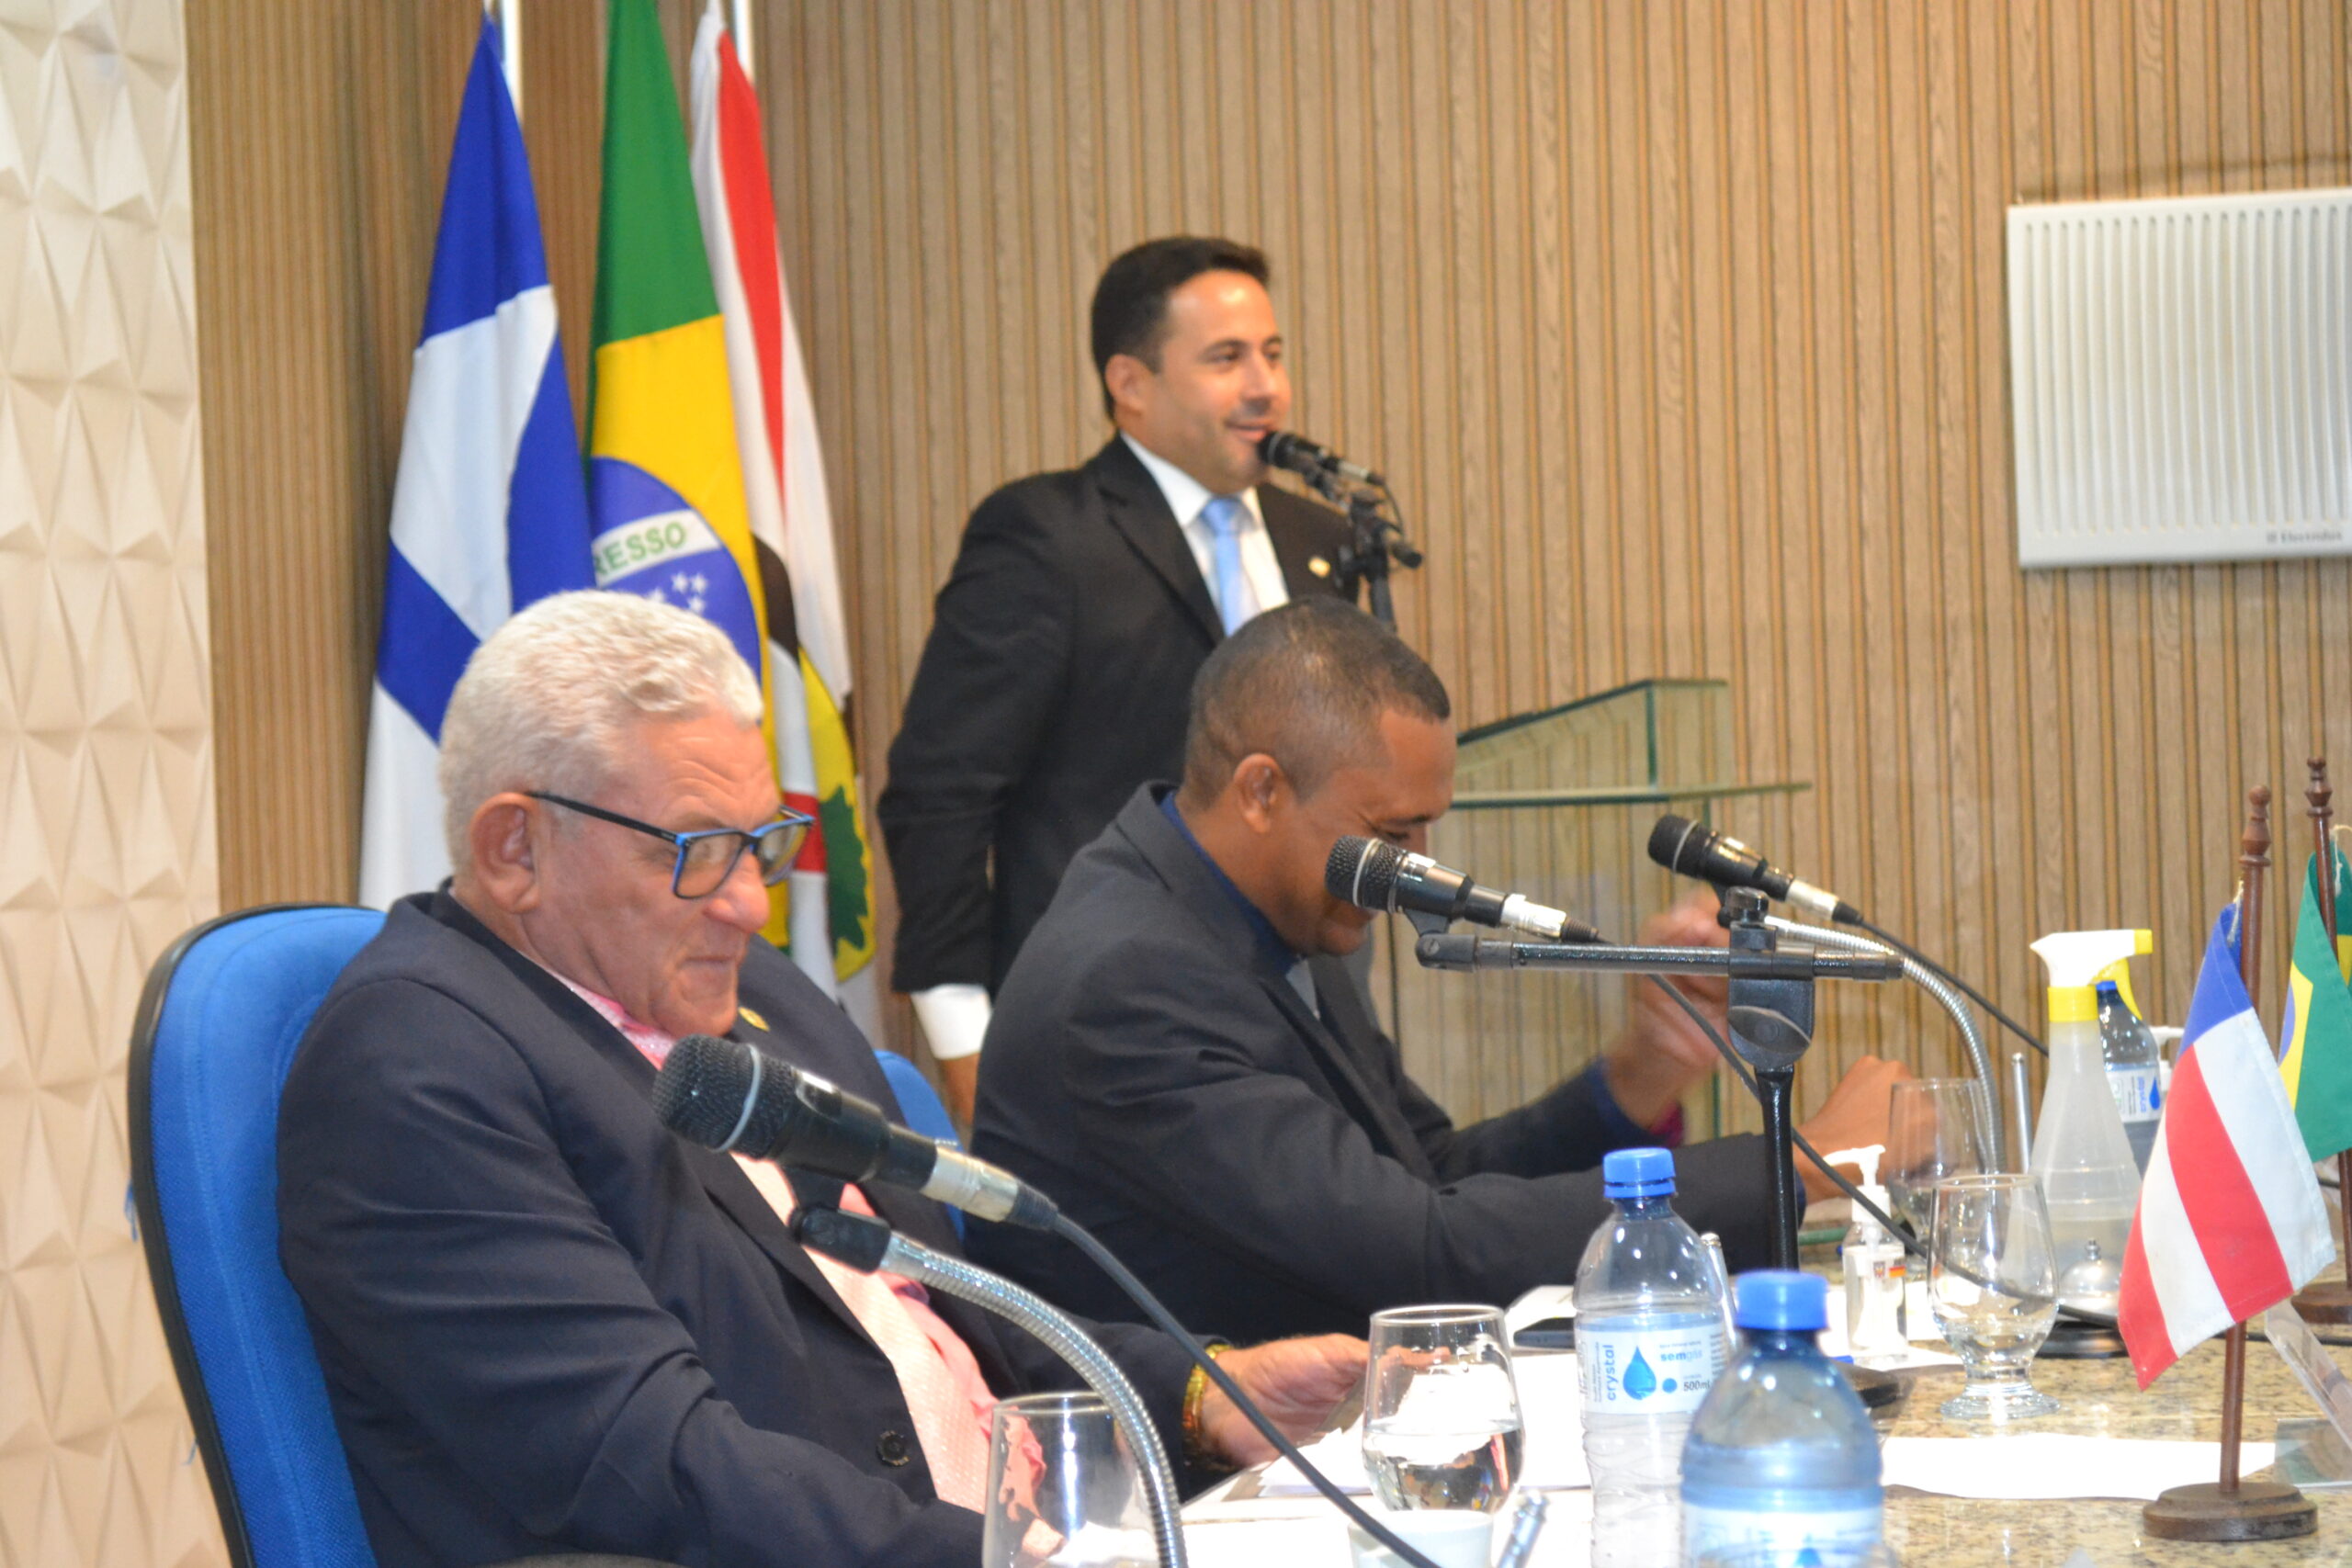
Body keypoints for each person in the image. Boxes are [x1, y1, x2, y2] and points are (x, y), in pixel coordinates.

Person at [276, 592, 1362, 1568]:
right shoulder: (416, 1068)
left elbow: (949, 1309)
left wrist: (1201, 1394)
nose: (750, 903)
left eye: (760, 842)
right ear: (514, 850)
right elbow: (662, 1467)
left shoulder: (755, 992)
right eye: (694, 850)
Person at [967, 600, 1907, 1344]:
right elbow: (1422, 1256)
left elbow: (1431, 1177)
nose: (1416, 865)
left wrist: (1636, 1077)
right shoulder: (1127, 982)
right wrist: (1798, 1163)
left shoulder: (1278, 909)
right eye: (1393, 831)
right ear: (1261, 789)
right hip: (1193, 1481)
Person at [879, 236, 1355, 1122]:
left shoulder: (1321, 541)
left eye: (1273, 353)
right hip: (1107, 1021)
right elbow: (940, 795)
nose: (1267, 386)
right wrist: (964, 1037)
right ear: (1130, 383)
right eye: (1227, 358)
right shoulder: (1047, 537)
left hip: (1311, 1025)